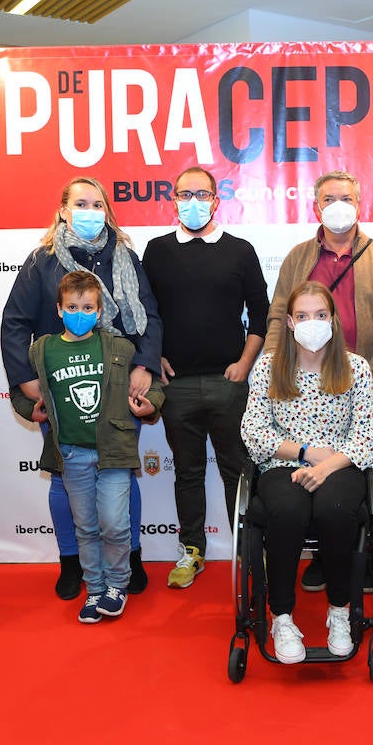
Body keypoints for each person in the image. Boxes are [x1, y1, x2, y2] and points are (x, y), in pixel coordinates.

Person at [1, 177, 162, 599]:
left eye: (97, 204)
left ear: (107, 212)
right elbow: (15, 322)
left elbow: (150, 316)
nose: (90, 211)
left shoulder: (125, 257)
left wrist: (145, 364)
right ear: (64, 210)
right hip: (63, 389)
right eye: (81, 203)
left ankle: (131, 557)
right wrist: (26, 381)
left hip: (117, 386)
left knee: (121, 475)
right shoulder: (42, 261)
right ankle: (72, 561)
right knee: (62, 479)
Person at [262, 170, 373, 594]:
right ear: (316, 206)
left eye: (346, 197)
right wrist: (270, 366)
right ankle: (324, 556)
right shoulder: (298, 257)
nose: (337, 205)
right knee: (306, 481)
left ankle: (349, 556)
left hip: (363, 381)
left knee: (349, 480)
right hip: (301, 382)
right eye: (328, 198)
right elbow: (276, 316)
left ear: (359, 204)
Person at [242, 282, 373, 662]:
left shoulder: (354, 368)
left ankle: (339, 610)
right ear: (289, 322)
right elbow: (254, 431)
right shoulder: (269, 368)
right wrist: (305, 453)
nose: (312, 323)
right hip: (283, 464)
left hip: (340, 464)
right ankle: (282, 616)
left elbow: (369, 436)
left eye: (320, 315)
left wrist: (325, 466)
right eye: (302, 316)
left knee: (334, 509)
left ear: (333, 321)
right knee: (288, 510)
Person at [142, 166, 270, 589]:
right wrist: (153, 355)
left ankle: (249, 553)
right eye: (184, 194)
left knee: (238, 472)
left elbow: (262, 315)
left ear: (216, 200)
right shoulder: (157, 251)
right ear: (174, 199)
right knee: (188, 474)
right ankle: (192, 550)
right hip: (176, 386)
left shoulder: (240, 250)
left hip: (228, 383)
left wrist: (245, 364)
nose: (193, 202)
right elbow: (146, 313)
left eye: (202, 194)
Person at [12, 272, 165, 624]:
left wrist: (150, 403)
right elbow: (21, 391)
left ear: (99, 312)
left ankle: (117, 585)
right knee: (85, 527)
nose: (79, 313)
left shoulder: (118, 347)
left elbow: (151, 385)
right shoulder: (42, 349)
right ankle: (95, 588)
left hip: (113, 452)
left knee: (113, 523)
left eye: (87, 307)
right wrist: (28, 409)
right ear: (59, 309)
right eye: (72, 307)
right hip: (71, 454)